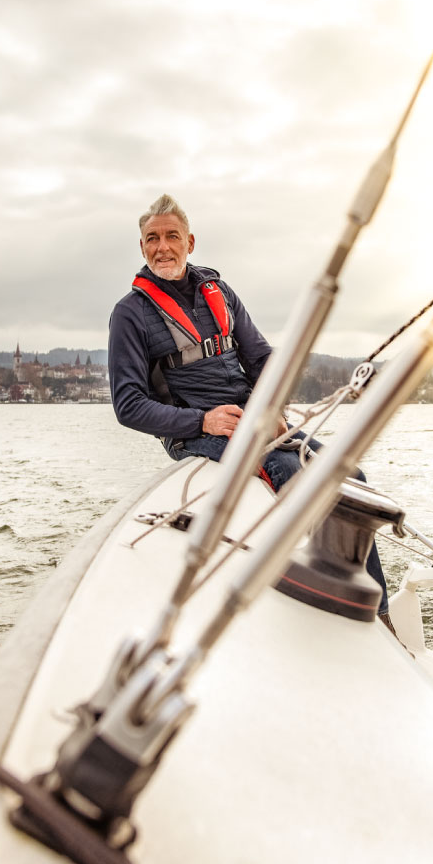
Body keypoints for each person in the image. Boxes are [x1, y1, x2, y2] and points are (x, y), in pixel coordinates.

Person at [108, 193, 388, 610]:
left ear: (190, 242)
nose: (162, 247)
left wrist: (269, 408)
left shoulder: (218, 291)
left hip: (253, 417)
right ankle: (330, 602)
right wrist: (203, 421)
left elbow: (262, 359)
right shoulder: (129, 313)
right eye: (152, 238)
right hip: (194, 430)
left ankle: (374, 607)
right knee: (289, 472)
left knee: (351, 476)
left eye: (171, 236)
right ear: (142, 247)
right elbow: (127, 404)